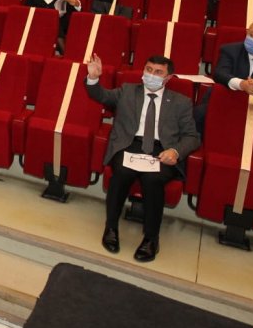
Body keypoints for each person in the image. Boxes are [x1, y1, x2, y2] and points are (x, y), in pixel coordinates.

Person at [85, 53, 200, 262]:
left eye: (158, 72)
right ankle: (111, 228)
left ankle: (151, 239)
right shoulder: (128, 91)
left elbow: (192, 136)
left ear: (168, 77)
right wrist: (93, 78)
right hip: (130, 144)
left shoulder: (180, 102)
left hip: (162, 149)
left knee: (153, 179)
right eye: (148, 70)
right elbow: (101, 95)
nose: (152, 75)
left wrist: (175, 152)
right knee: (121, 172)